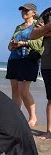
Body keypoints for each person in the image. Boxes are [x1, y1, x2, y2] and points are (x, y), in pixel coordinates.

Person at [5, 3, 43, 127]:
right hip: (14, 59)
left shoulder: (38, 25)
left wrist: (24, 43)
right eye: (22, 10)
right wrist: (12, 44)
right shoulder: (19, 27)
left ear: (34, 12)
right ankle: (17, 117)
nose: (24, 12)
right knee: (15, 90)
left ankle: (33, 116)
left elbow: (39, 44)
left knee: (23, 90)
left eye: (27, 10)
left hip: (29, 59)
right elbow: (10, 46)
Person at [30, 7, 51, 139]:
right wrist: (49, 26)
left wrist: (45, 31)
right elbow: (33, 35)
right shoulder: (47, 13)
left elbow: (40, 32)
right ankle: (49, 131)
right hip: (48, 62)